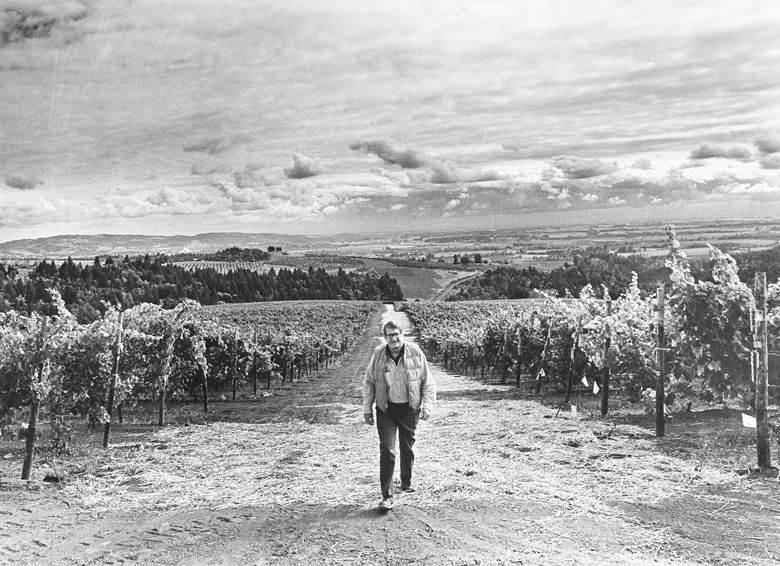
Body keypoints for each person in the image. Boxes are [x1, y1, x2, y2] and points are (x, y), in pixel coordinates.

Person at [362, 320, 436, 511]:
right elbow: (369, 382)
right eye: (389, 335)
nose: (393, 338)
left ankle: (405, 482)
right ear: (384, 337)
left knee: (407, 447)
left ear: (402, 334)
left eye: (396, 334)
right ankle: (387, 496)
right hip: (386, 408)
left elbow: (428, 381)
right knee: (387, 449)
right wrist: (367, 408)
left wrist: (428, 406)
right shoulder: (378, 354)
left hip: (409, 408)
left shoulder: (415, 353)